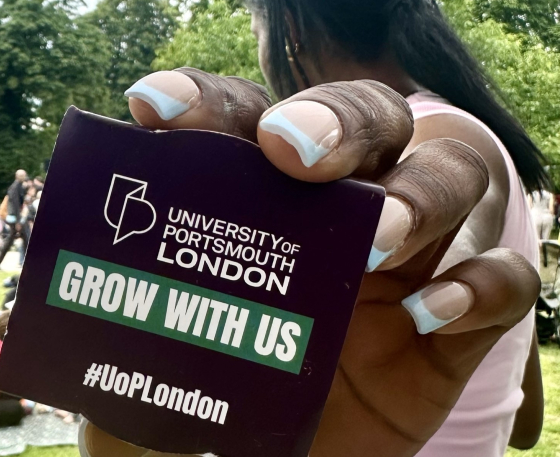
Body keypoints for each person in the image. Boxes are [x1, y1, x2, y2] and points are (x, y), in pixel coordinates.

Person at [84, 1, 546, 456]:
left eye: (255, 29)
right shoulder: (489, 139)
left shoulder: (441, 134)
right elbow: (525, 423)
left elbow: (444, 247)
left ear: (289, 27)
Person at [0, 170, 29, 268]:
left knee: (15, 240)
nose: (24, 177)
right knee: (25, 238)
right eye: (22, 175)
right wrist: (18, 221)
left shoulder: (19, 186)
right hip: (16, 217)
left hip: (17, 216)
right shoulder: (15, 188)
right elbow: (15, 205)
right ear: (17, 176)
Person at [529, 190, 554, 266]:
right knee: (545, 240)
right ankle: (545, 261)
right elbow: (551, 209)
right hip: (547, 217)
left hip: (535, 216)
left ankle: (536, 261)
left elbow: (529, 207)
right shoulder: (550, 194)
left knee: (536, 240)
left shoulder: (531, 194)